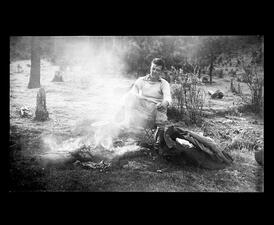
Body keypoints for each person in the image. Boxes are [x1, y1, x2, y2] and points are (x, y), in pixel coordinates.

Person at [119, 58, 172, 152]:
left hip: (155, 109)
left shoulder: (164, 83)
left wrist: (164, 103)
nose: (154, 71)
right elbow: (133, 92)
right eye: (153, 68)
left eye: (157, 70)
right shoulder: (141, 80)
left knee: (162, 107)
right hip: (142, 106)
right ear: (150, 67)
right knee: (128, 97)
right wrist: (135, 97)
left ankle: (159, 140)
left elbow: (168, 98)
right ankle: (127, 125)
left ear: (161, 71)